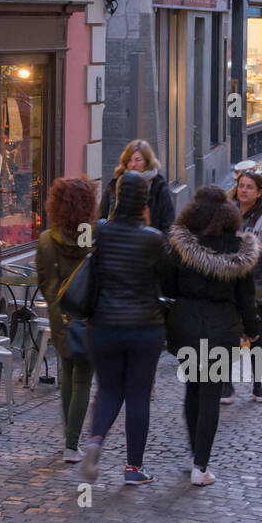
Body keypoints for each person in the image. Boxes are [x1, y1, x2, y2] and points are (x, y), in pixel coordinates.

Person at [162, 185, 261, 486]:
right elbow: (246, 299)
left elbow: (167, 290)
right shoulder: (237, 250)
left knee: (193, 389)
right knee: (210, 394)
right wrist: (253, 330)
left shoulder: (181, 248)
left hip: (187, 328)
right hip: (221, 330)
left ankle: (195, 456)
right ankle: (201, 465)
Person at [79, 171, 168, 486]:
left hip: (103, 325)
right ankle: (133, 468)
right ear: (144, 201)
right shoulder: (154, 239)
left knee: (108, 389)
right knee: (138, 394)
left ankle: (94, 441)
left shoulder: (99, 231)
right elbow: (166, 281)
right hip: (145, 327)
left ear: (116, 197)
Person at [36, 178, 98, 463]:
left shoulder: (48, 239)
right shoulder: (93, 236)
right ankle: (73, 445)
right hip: (88, 317)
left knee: (67, 375)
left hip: (60, 315)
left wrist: (55, 305)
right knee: (83, 380)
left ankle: (68, 442)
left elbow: (44, 280)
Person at [221, 170, 262, 405]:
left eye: (249, 187)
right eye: (241, 186)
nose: (243, 190)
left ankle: (258, 385)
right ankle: (227, 384)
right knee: (228, 332)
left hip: (257, 282)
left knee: (256, 333)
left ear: (258, 193)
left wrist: (249, 242)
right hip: (230, 278)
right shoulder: (227, 214)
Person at [99, 140, 175, 233]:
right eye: (129, 160)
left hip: (149, 243)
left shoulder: (160, 188)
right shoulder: (115, 185)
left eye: (138, 160)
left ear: (147, 162)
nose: (133, 165)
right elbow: (102, 216)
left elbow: (168, 227)